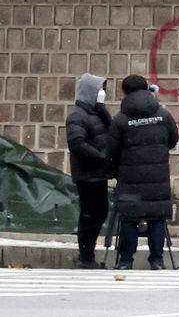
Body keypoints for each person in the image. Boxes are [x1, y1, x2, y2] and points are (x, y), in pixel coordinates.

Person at [108, 75, 178, 270]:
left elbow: (111, 150)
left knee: (130, 218)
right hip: (157, 177)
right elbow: (173, 140)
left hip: (130, 177)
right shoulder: (163, 115)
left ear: (125, 92)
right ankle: (157, 260)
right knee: (156, 217)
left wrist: (115, 170)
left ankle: (126, 260)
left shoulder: (121, 119)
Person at [65, 73, 112, 269]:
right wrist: (100, 156)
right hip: (87, 173)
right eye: (100, 89)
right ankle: (85, 256)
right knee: (90, 214)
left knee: (99, 212)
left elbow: (110, 131)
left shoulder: (96, 113)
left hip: (98, 173)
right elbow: (77, 144)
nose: (103, 93)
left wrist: (103, 111)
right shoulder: (77, 115)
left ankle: (88, 254)